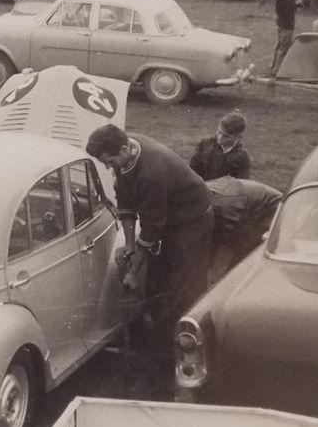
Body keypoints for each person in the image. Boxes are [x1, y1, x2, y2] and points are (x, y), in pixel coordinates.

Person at [85, 125, 214, 353]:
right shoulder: (127, 153)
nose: (107, 167)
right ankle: (162, 333)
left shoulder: (150, 174)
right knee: (159, 277)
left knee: (184, 284)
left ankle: (184, 345)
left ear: (124, 149)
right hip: (167, 217)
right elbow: (124, 203)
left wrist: (133, 272)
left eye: (110, 161)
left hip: (192, 220)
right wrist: (129, 245)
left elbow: (152, 228)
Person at [206, 176, 282, 279]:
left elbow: (225, 240)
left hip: (270, 211)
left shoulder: (226, 204)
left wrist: (213, 277)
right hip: (246, 206)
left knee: (241, 251)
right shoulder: (202, 192)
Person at [190, 111, 251, 181]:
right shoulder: (205, 144)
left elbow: (240, 184)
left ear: (238, 136)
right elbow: (193, 170)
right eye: (219, 132)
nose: (219, 138)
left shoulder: (242, 157)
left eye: (225, 136)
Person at [270, 0, 297, 76]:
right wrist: (294, 1)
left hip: (281, 23)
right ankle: (277, 70)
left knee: (279, 46)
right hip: (287, 25)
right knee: (284, 48)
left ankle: (273, 66)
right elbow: (289, 9)